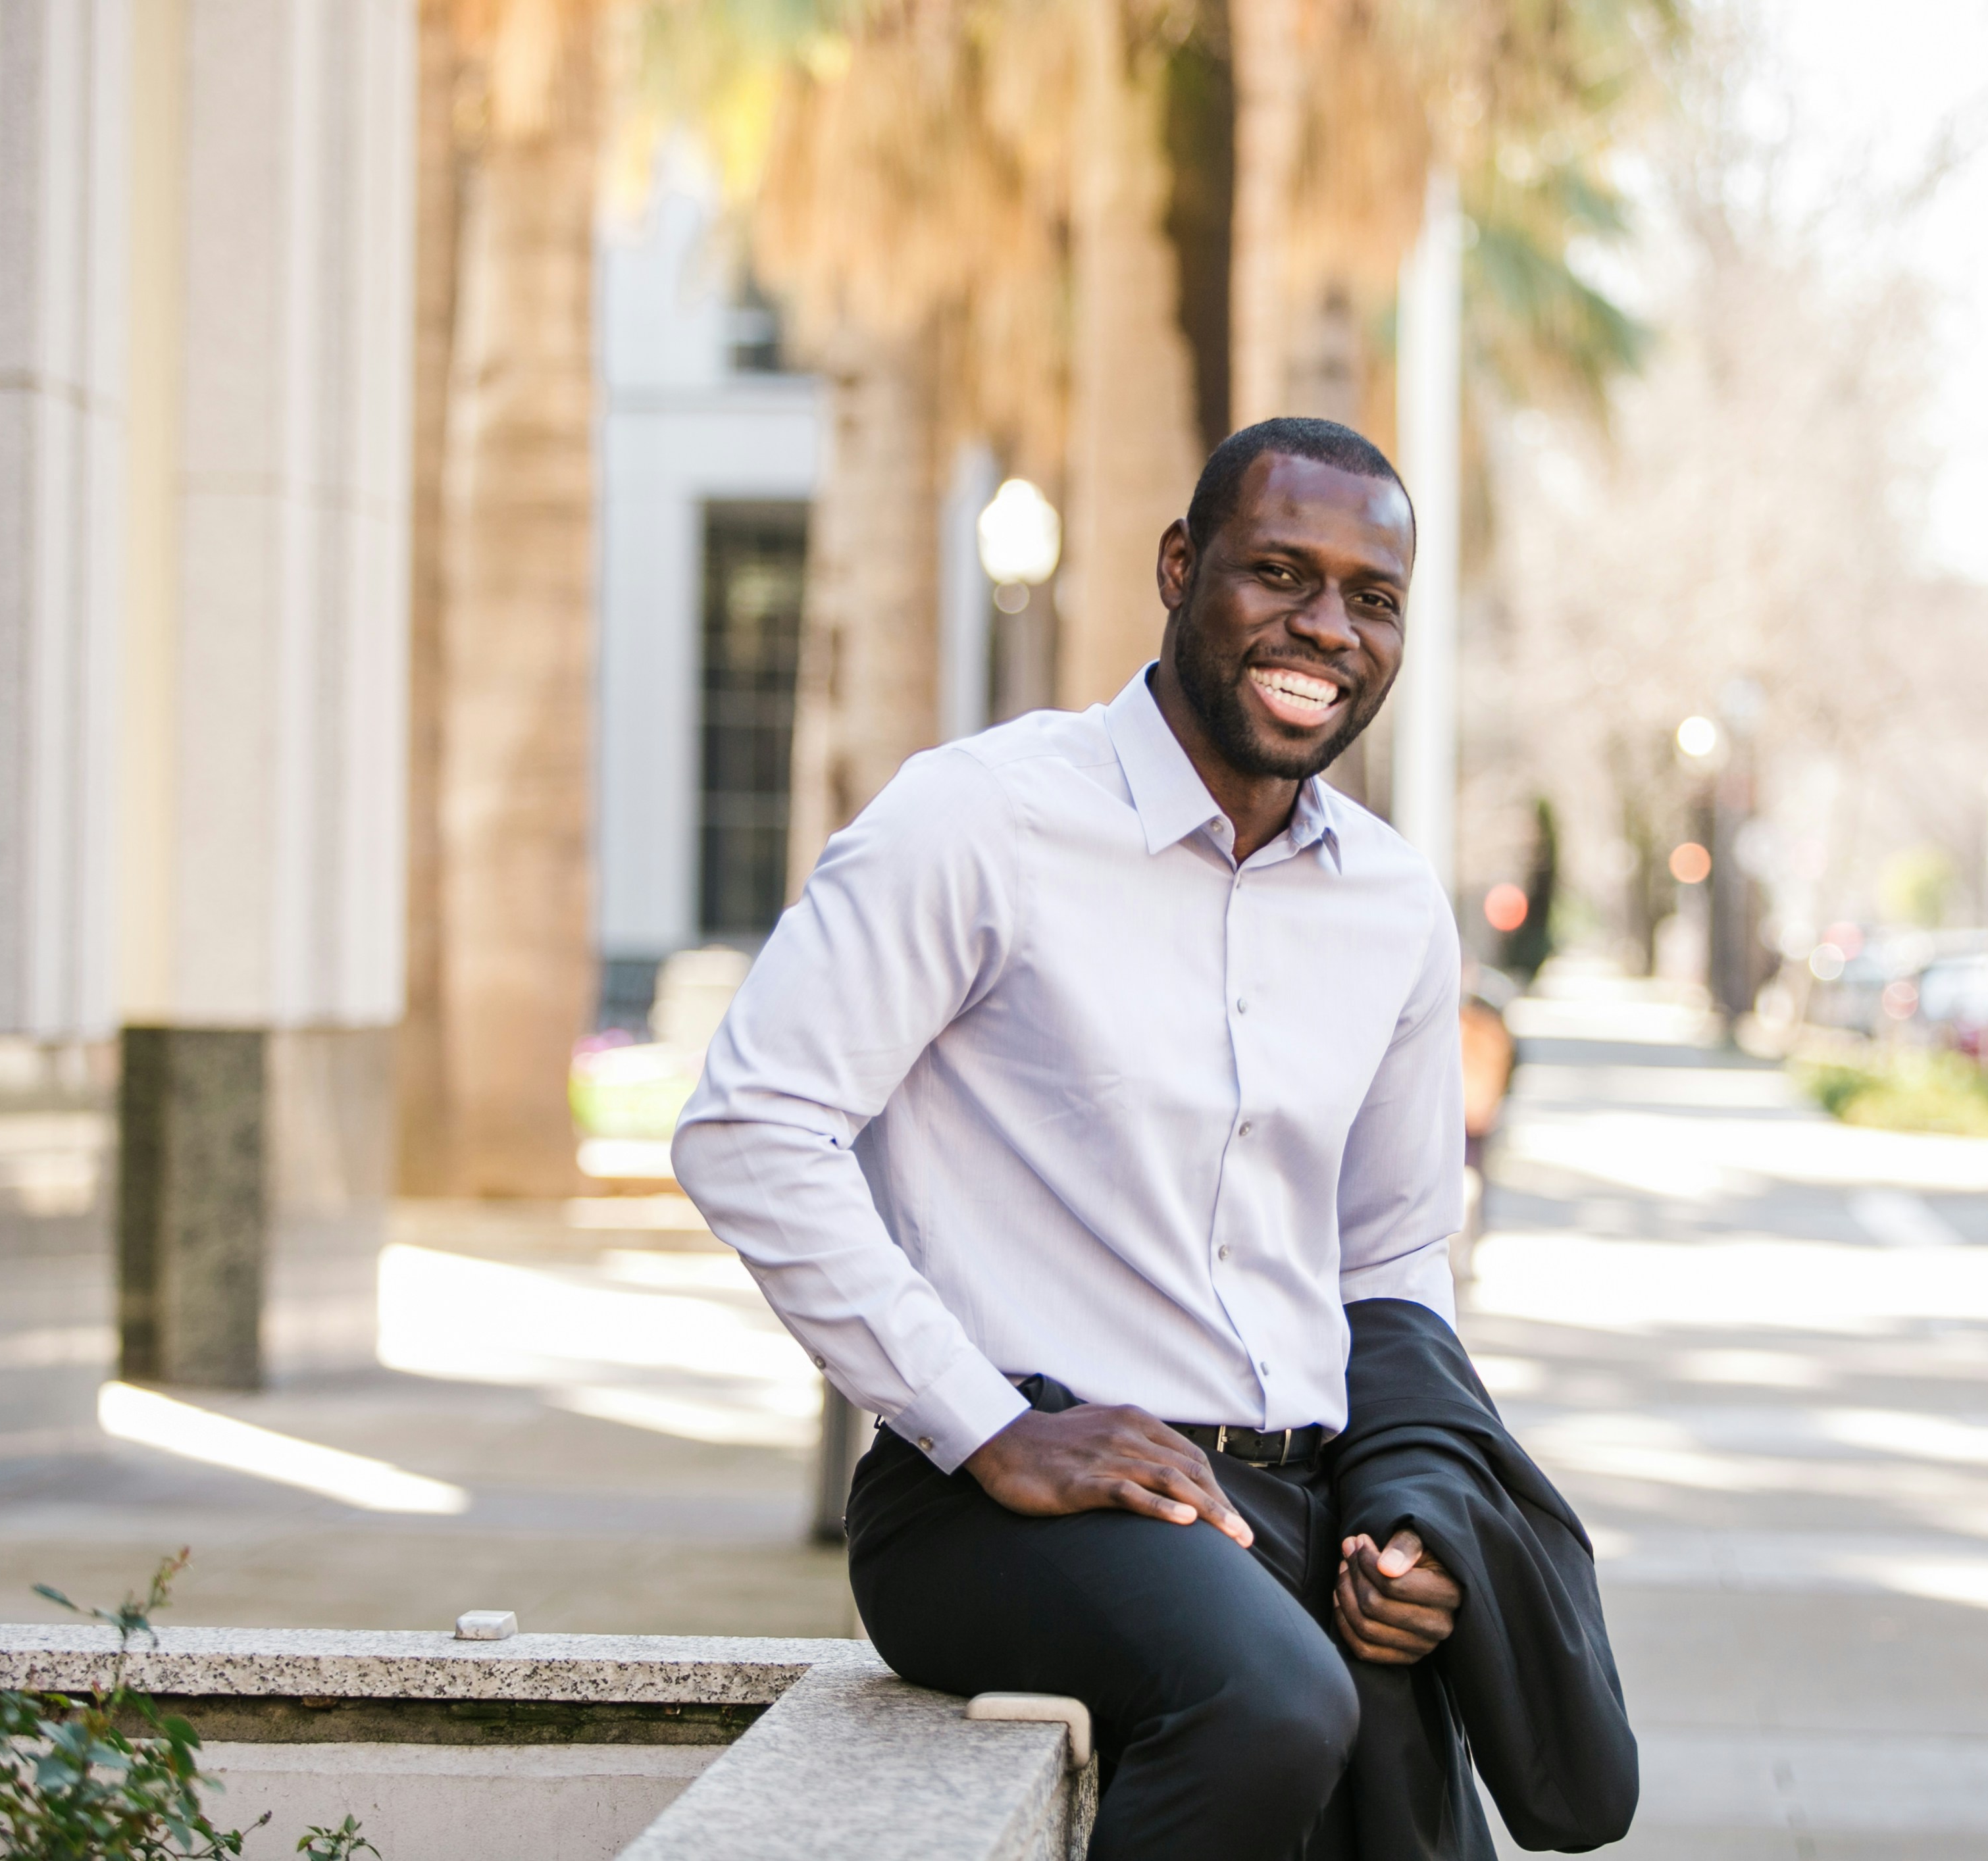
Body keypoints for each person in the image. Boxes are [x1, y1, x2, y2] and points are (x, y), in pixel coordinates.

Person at [675, 417, 1629, 1860]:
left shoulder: (1391, 904)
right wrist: (991, 1426)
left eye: (1372, 598)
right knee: (1275, 1700)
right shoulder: (982, 818)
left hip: (1295, 1503)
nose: (1327, 627)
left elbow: (1390, 1258)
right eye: (1279, 574)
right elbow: (751, 1125)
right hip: (993, 1505)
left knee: (1400, 1799)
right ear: (1181, 568)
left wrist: (1411, 1519)